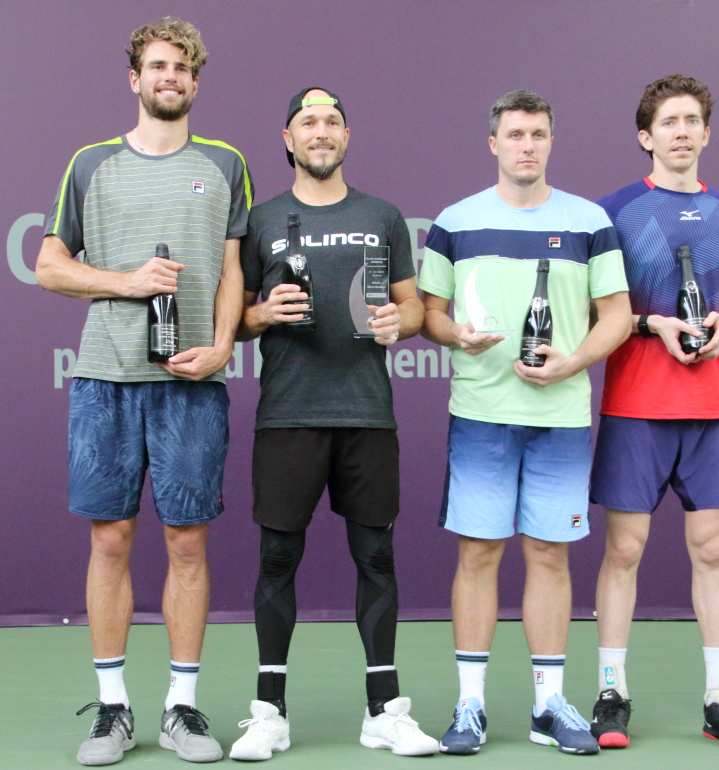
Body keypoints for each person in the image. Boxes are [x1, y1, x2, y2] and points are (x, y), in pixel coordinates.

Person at [36, 17, 252, 766]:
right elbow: (50, 264)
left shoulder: (225, 163)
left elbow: (232, 271)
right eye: (158, 66)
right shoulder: (90, 165)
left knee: (187, 543)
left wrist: (224, 345)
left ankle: (182, 710)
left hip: (193, 379)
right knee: (110, 538)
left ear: (195, 82)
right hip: (105, 377)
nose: (171, 77)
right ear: (135, 78)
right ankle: (114, 708)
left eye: (183, 68)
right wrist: (124, 282)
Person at [418, 89, 631, 756]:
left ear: (550, 141)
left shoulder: (589, 220)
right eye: (515, 134)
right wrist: (459, 336)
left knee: (549, 553)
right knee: (478, 554)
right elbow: (430, 314)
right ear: (494, 143)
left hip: (561, 419)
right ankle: (471, 706)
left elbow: (618, 316)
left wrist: (574, 362)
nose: (527, 145)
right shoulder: (456, 221)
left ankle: (547, 705)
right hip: (481, 414)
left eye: (538, 133)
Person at [228, 87, 438, 761]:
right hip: (288, 415)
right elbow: (230, 320)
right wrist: (262, 316)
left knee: (376, 558)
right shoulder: (260, 222)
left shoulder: (382, 216)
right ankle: (269, 713)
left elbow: (414, 311)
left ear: (346, 136)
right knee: (277, 559)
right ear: (288, 139)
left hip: (368, 415)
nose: (321, 132)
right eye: (308, 122)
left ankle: (384, 710)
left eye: (333, 122)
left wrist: (395, 323)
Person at [588, 75, 719, 751]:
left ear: (707, 133)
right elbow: (595, 311)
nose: (682, 131)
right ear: (647, 136)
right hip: (636, 403)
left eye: (693, 120)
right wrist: (650, 326)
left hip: (711, 405)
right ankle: (612, 693)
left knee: (712, 549)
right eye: (669, 121)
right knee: (625, 550)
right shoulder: (613, 213)